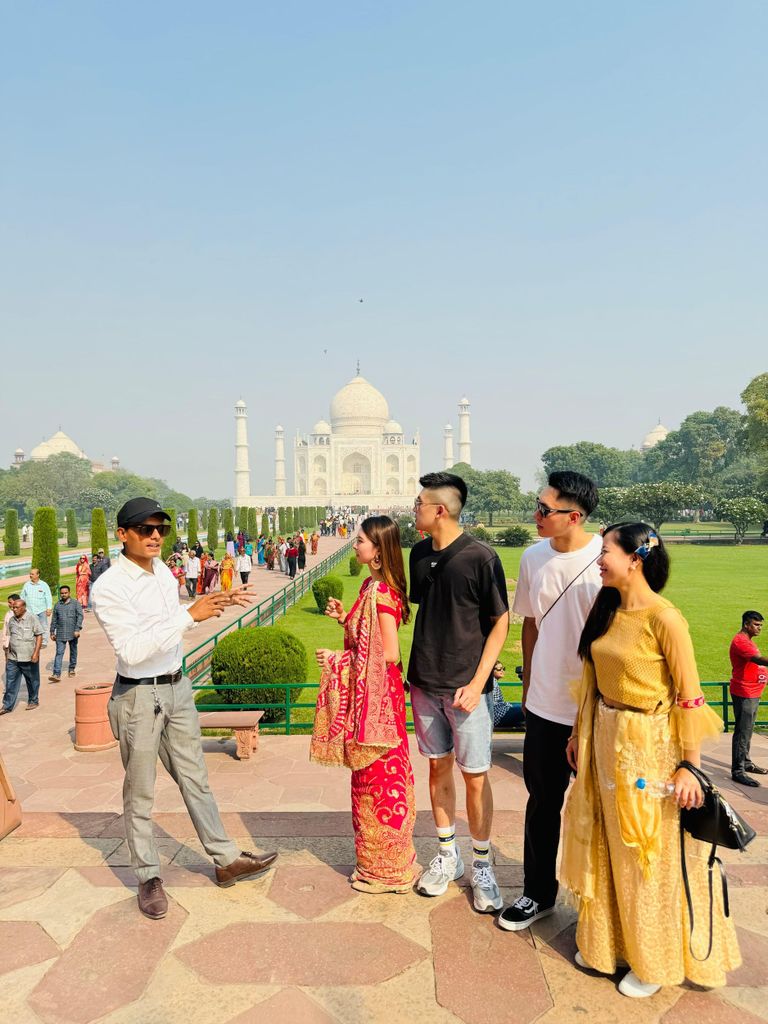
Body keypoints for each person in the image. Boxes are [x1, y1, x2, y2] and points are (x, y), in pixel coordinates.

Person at [560, 523, 741, 996]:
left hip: (649, 746)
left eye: (605, 552)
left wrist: (690, 766)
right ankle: (607, 946)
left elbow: (691, 698)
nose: (598, 560)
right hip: (604, 737)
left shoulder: (665, 618)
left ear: (635, 559)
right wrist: (581, 732)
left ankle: (652, 958)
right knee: (604, 840)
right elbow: (592, 676)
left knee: (644, 851)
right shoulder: (607, 608)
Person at [91, 498, 277, 919]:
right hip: (138, 695)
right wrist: (187, 617)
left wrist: (205, 606)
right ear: (122, 535)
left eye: (161, 528)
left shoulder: (159, 571)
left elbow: (168, 619)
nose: (155, 535)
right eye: (144, 528)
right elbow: (133, 650)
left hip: (176, 688)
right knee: (140, 791)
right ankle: (147, 876)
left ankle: (226, 859)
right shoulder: (109, 587)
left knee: (196, 779)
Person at [498, 471, 602, 932]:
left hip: (598, 708)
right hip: (545, 706)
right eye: (536, 506)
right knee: (543, 801)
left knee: (603, 805)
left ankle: (602, 907)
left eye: (545, 510)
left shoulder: (607, 558)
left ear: (574, 516)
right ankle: (537, 893)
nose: (535, 516)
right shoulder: (533, 557)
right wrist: (531, 679)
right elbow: (531, 622)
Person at [407, 472, 509, 913]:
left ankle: (482, 864)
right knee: (437, 769)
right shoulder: (419, 554)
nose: (415, 511)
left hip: (467, 688)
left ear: (439, 510)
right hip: (426, 683)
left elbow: (500, 621)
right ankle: (448, 855)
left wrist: (479, 681)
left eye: (419, 504)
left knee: (475, 775)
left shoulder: (480, 558)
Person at [312, 515, 417, 893]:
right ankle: (377, 865)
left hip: (379, 706)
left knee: (380, 779)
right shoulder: (370, 588)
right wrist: (346, 618)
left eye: (359, 541)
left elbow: (389, 653)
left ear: (376, 552)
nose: (354, 545)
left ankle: (389, 872)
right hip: (371, 699)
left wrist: (338, 661)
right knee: (368, 779)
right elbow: (366, 639)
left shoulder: (383, 594)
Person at [729, 610, 768, 786]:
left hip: (751, 691)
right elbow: (759, 660)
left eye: (761, 625)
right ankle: (738, 771)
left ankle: (746, 762)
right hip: (744, 692)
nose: (759, 628)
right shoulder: (741, 642)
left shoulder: (747, 640)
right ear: (746, 624)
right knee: (742, 732)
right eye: (756, 625)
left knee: (748, 730)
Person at [0, 598, 42, 713]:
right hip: (13, 658)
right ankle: (7, 706)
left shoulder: (32, 618)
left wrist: (36, 653)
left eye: (16, 607)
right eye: (13, 607)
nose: (13, 609)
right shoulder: (12, 620)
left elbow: (39, 635)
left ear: (24, 607)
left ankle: (33, 701)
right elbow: (10, 637)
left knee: (32, 680)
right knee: (10, 681)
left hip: (29, 657)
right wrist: (7, 654)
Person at [49, 584, 83, 681]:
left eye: (65, 593)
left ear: (69, 593)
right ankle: (56, 674)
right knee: (59, 652)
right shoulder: (57, 605)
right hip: (60, 633)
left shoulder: (75, 603)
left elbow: (80, 616)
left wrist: (77, 629)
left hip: (73, 632)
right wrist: (52, 632)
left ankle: (71, 668)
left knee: (73, 651)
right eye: (62, 593)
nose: (63, 595)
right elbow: (54, 619)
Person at [20, 568, 53, 649]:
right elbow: (22, 597)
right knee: (30, 626)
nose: (30, 575)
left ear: (38, 575)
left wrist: (49, 608)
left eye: (32, 574)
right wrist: (22, 608)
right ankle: (32, 641)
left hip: (41, 610)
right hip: (30, 610)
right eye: (30, 573)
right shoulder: (26, 585)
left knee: (43, 626)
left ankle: (44, 642)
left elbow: (48, 597)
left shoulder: (44, 585)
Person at [491, 662, 525, 730]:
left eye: (503, 668)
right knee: (527, 709)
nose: (502, 671)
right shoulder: (491, 681)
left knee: (524, 707)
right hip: (498, 714)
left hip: (501, 710)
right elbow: (494, 705)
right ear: (491, 670)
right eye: (499, 669)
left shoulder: (493, 681)